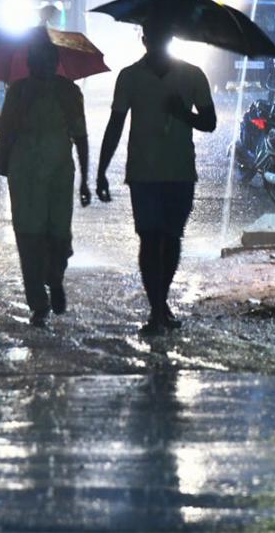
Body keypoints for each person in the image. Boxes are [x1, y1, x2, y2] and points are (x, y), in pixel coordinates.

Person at [96, 18, 217, 335]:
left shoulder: (192, 75)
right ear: (145, 39)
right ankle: (157, 310)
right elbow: (116, 125)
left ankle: (159, 304)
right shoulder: (130, 77)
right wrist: (101, 170)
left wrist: (183, 114)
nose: (158, 42)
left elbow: (210, 122)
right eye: (155, 36)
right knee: (151, 240)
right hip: (144, 173)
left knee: (171, 239)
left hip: (179, 171)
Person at [0, 33, 91, 327]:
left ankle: (55, 279)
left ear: (56, 63)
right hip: (24, 174)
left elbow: (81, 135)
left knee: (59, 235)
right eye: (38, 60)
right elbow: (4, 129)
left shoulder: (70, 92)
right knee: (28, 239)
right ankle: (38, 302)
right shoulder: (18, 92)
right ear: (30, 63)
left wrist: (86, 178)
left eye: (49, 60)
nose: (44, 65)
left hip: (59, 173)